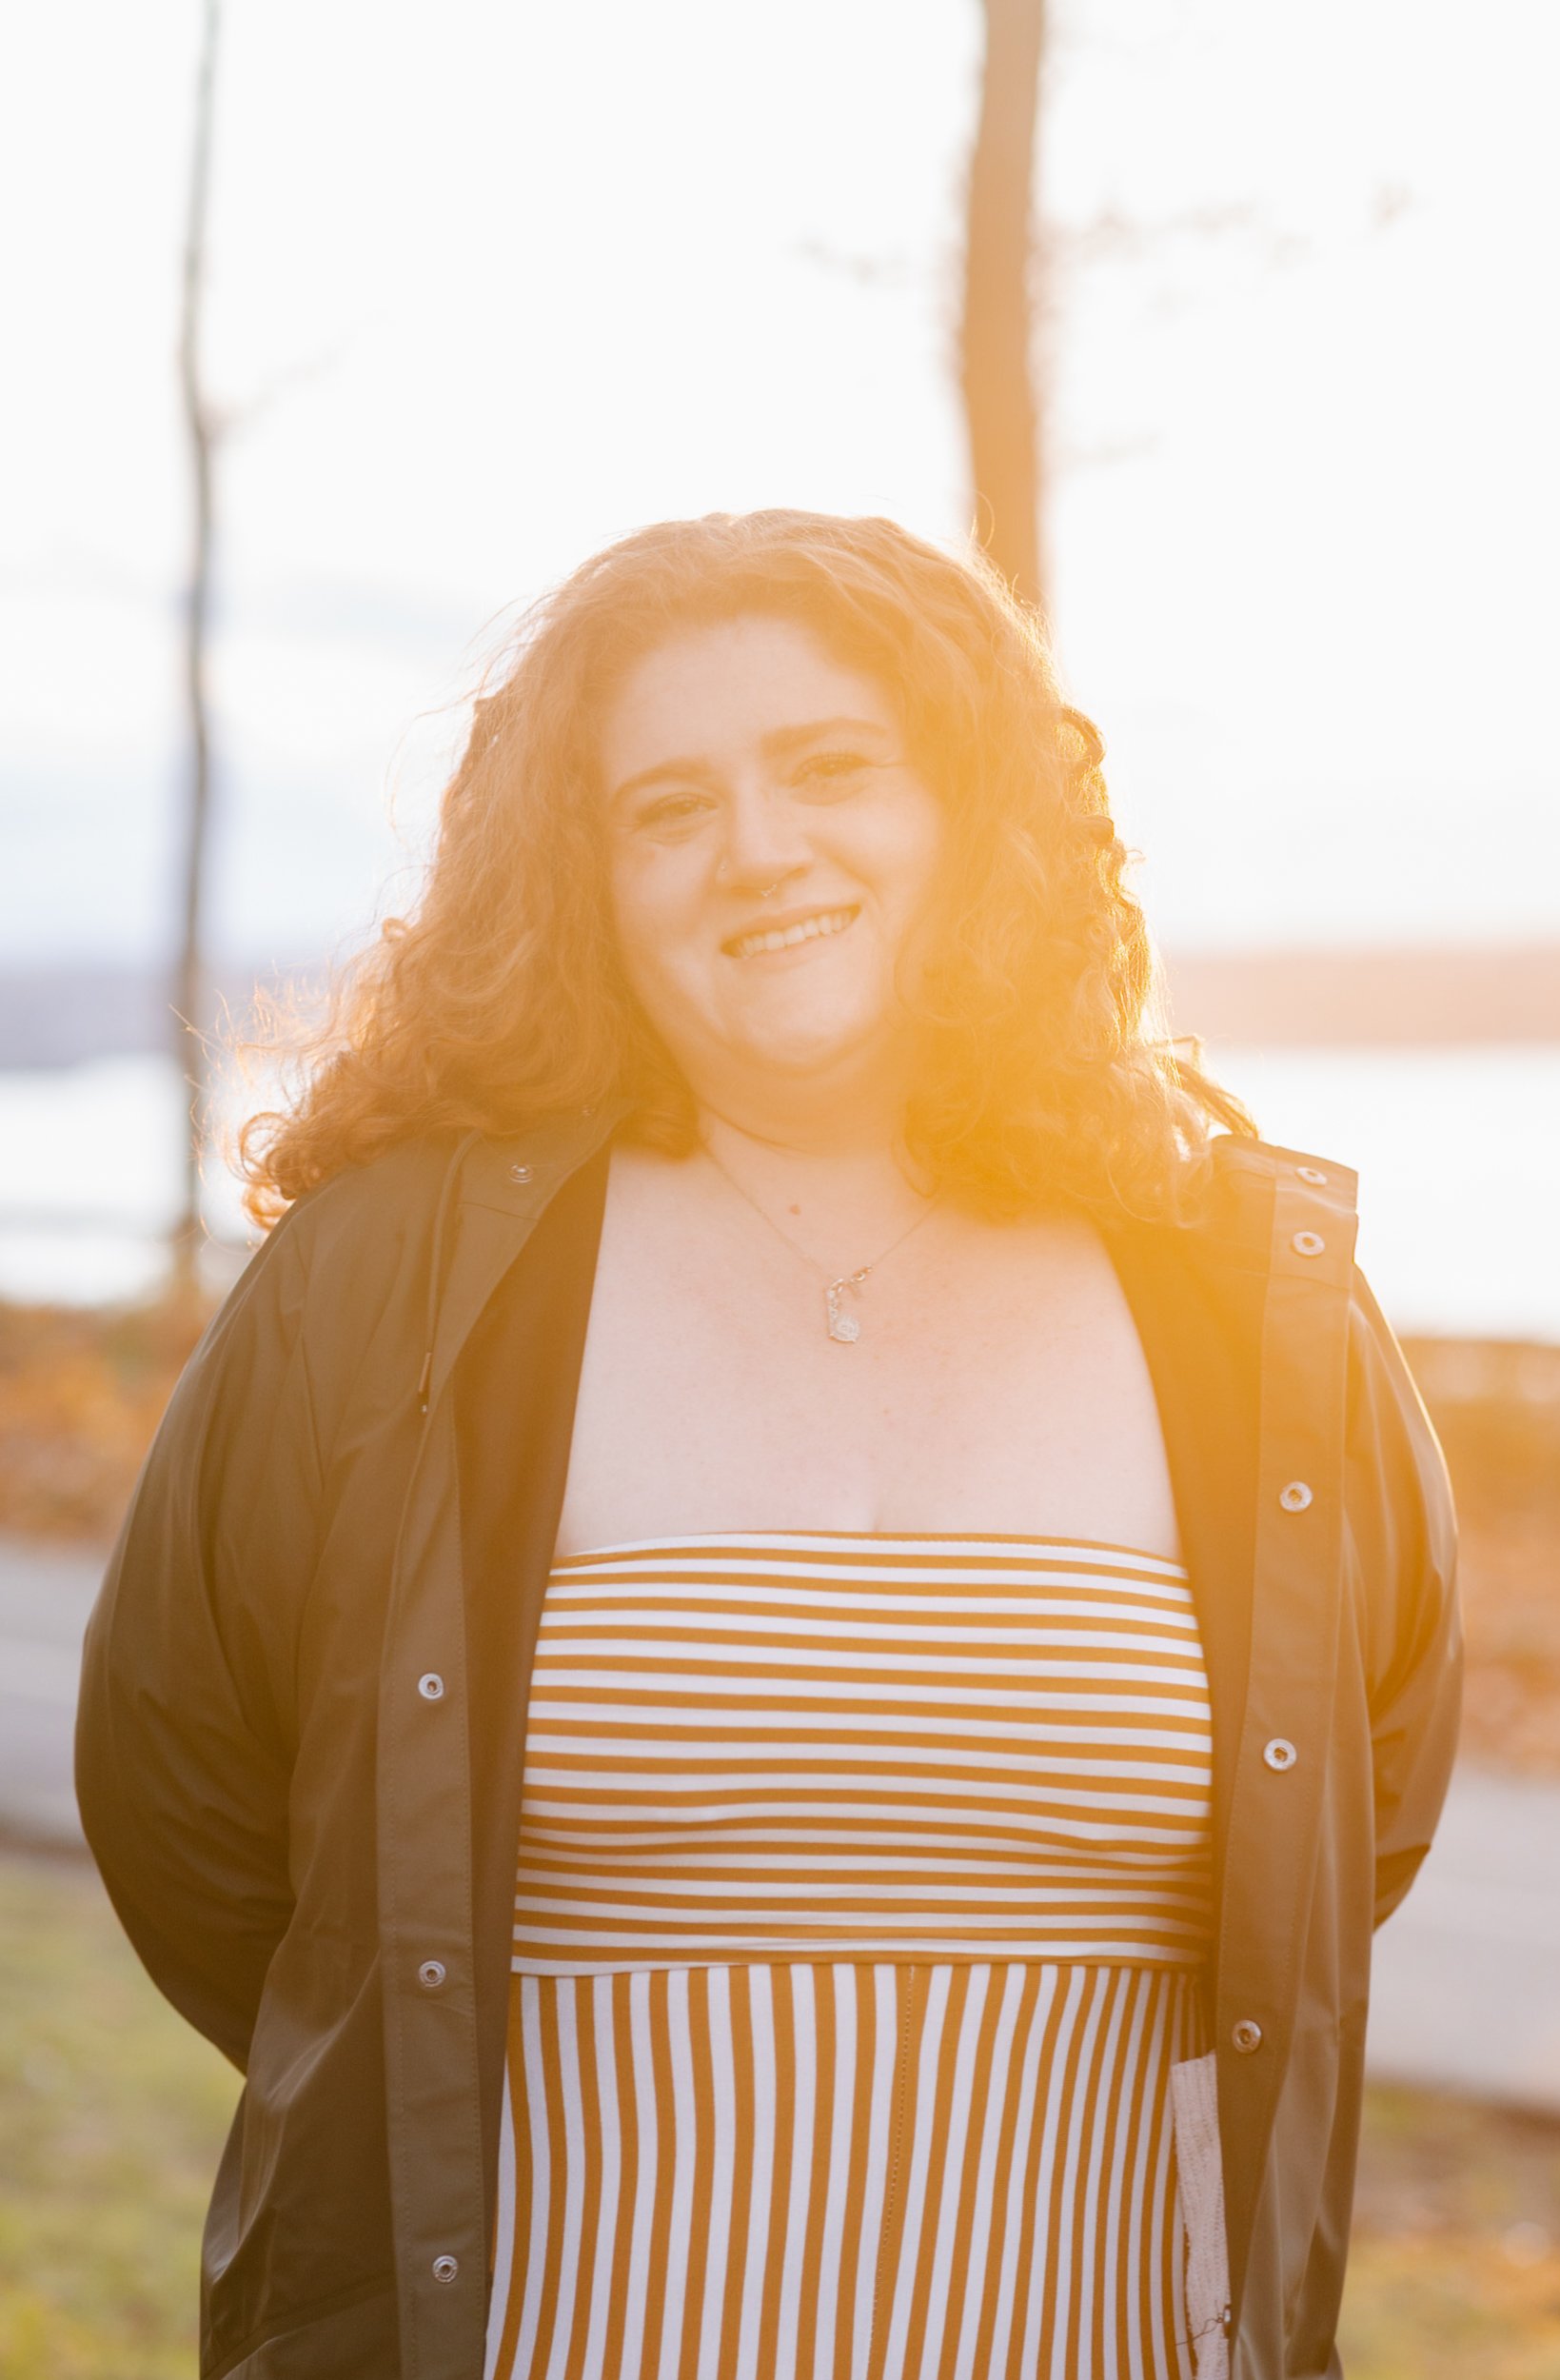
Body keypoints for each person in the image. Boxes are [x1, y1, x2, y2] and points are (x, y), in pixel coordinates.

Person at [76, 509, 1462, 2380]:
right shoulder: (389, 1284)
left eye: (829, 767)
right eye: (666, 806)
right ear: (584, 877)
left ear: (965, 809)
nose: (759, 849)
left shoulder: (1242, 1295)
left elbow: (1346, 1812)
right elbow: (191, 1806)